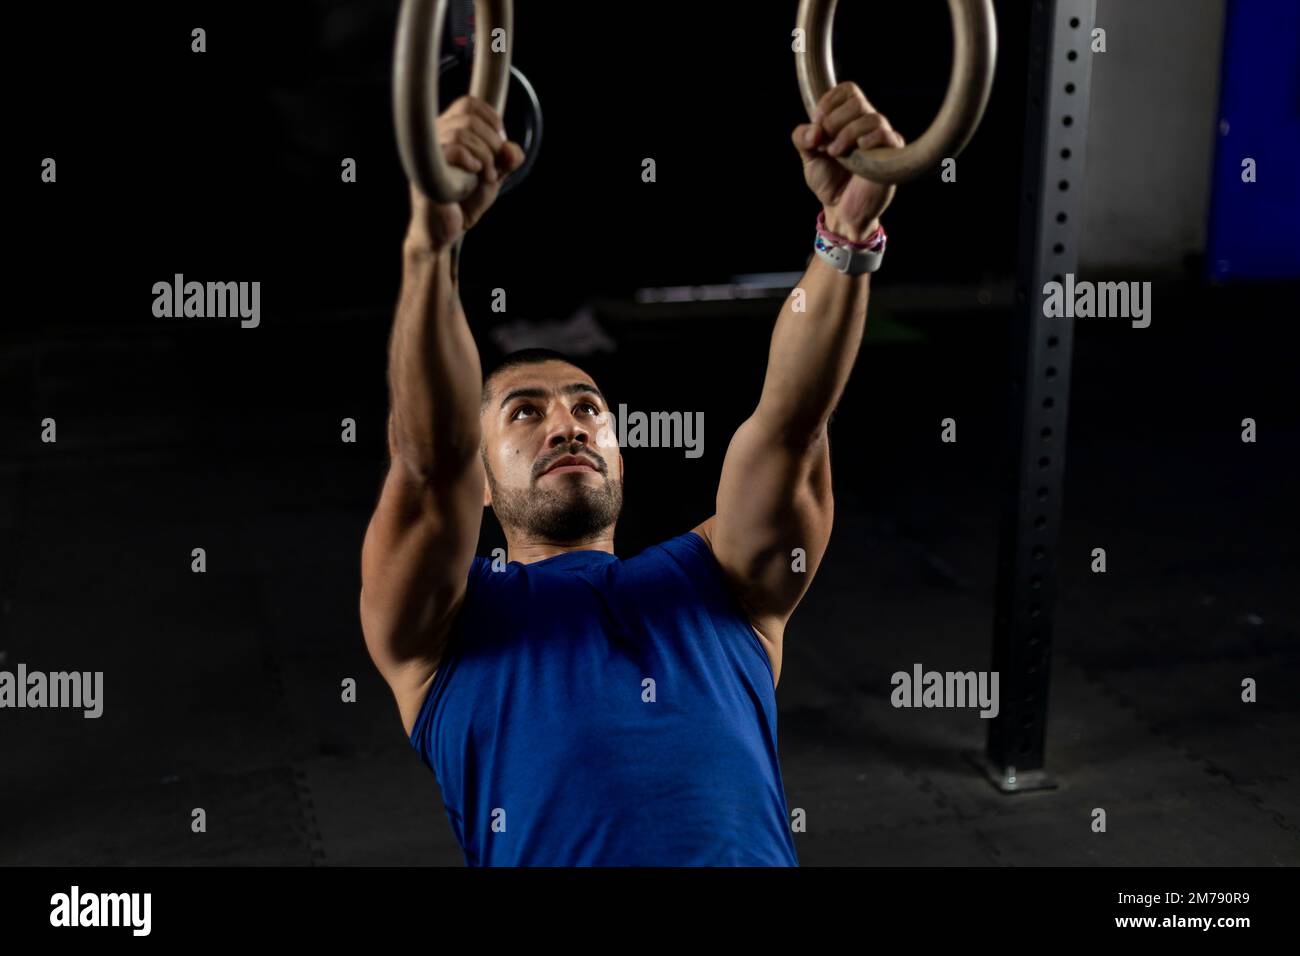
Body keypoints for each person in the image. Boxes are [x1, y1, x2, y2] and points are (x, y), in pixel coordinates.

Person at [360, 82, 903, 865]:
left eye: (588, 408)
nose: (567, 423)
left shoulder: (722, 585)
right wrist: (431, 245)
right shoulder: (443, 630)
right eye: (523, 412)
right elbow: (427, 460)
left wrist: (848, 232)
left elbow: (791, 425)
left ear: (619, 453)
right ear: (481, 481)